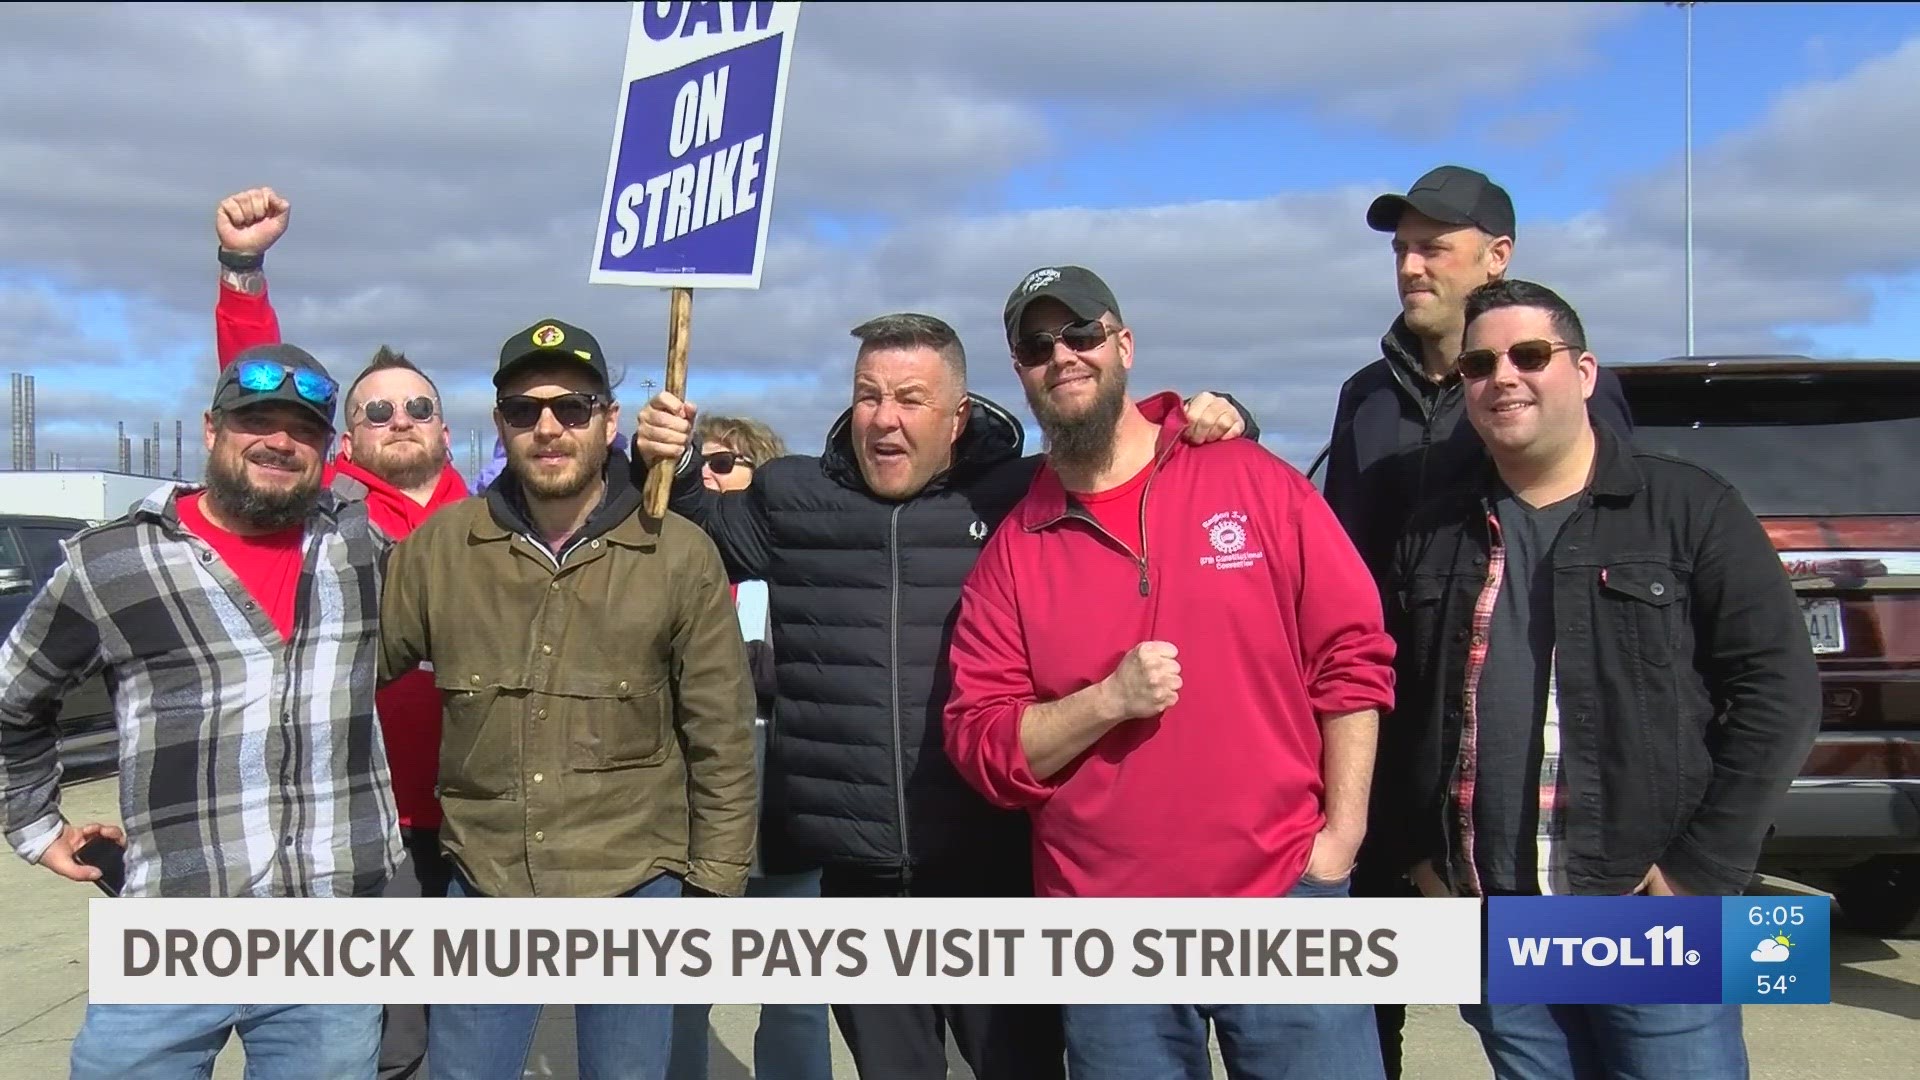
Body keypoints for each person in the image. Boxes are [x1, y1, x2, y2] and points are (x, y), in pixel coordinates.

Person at [629, 309, 1255, 1079]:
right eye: (868, 395)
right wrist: (668, 459)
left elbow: (1126, 463)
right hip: (856, 874)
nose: (883, 418)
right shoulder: (792, 498)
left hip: (994, 865)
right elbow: (691, 527)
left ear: (957, 416)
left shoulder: (1022, 492)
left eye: (910, 398)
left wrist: (1221, 417)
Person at [940, 265, 1396, 1079]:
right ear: (1020, 372)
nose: (1063, 356)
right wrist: (1104, 702)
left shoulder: (1251, 478)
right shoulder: (1013, 550)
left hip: (1283, 900)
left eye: (1081, 334)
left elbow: (1352, 654)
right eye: (1038, 346)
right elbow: (982, 745)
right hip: (1112, 936)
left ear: (1123, 345)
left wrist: (1342, 836)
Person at [1382, 279, 1822, 1079]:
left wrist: (1700, 871)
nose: (1502, 376)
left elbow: (1779, 696)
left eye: (1529, 355)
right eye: (1479, 364)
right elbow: (1397, 707)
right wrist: (1422, 857)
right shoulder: (1434, 532)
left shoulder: (1687, 508)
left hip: (1647, 905)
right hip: (1492, 912)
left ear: (1583, 373)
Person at [0, 343, 401, 1079]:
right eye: (257, 421)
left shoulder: (359, 546)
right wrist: (33, 824)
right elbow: (13, 702)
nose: (280, 441)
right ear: (212, 429)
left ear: (328, 450)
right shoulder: (111, 563)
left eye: (302, 428)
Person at [377, 318, 758, 1080]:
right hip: (485, 879)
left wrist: (714, 888)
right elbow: (343, 675)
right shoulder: (440, 551)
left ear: (609, 422)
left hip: (633, 881)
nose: (548, 427)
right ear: (500, 426)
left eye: (573, 407)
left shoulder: (677, 553)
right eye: (524, 410)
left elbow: (722, 737)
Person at [1321, 165, 1636, 1080]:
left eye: (1433, 247)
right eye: (1402, 249)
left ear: (1497, 257)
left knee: (1543, 1014)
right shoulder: (1364, 399)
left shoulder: (1560, 391)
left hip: (1507, 752)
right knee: (1363, 993)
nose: (1411, 265)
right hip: (1385, 738)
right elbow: (1343, 572)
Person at [213, 185, 470, 1080]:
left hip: (488, 821)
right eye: (377, 411)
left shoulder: (503, 518)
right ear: (345, 443)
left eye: (418, 407)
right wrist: (244, 275)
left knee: (474, 1034)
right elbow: (260, 401)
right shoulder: (332, 515)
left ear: (447, 426)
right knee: (390, 1042)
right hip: (371, 827)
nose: (400, 420)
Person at [668, 413, 833, 1080]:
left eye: (727, 463)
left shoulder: (799, 566)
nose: (709, 475)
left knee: (796, 1001)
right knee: (679, 996)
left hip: (788, 822)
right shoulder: (674, 563)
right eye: (700, 463)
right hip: (690, 825)